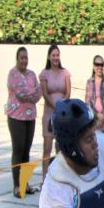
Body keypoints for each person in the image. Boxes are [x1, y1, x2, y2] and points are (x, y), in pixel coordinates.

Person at [6, 46, 42, 196]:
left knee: (27, 152)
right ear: (17, 59)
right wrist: (31, 93)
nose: (24, 61)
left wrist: (32, 94)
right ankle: (16, 185)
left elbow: (38, 93)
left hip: (30, 116)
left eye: (26, 58)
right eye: (22, 57)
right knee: (18, 150)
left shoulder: (32, 74)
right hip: (16, 117)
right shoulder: (13, 74)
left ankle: (25, 183)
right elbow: (21, 94)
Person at [39, 44, 71, 179]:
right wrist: (55, 107)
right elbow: (45, 94)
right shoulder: (44, 74)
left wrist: (62, 107)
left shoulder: (65, 73)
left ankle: (60, 177)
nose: (55, 58)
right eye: (53, 55)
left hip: (62, 115)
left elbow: (68, 92)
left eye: (57, 55)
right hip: (49, 113)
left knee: (61, 148)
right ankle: (45, 178)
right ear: (48, 57)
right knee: (47, 148)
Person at [85, 55, 104, 133]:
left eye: (101, 65)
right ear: (93, 66)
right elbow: (87, 102)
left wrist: (103, 115)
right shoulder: (89, 82)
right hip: (93, 118)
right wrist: (97, 115)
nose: (99, 67)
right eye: (97, 64)